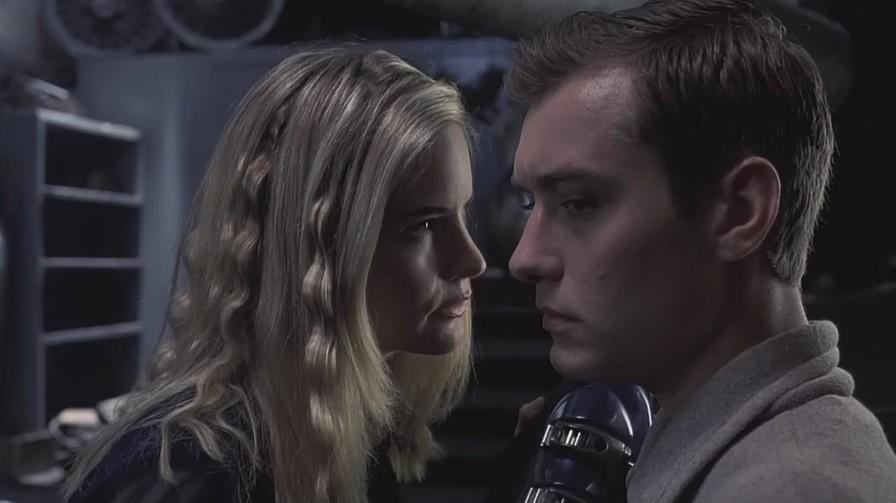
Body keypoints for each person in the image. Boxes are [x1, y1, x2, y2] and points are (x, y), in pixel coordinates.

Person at [505, 1, 896, 501]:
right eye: (529, 203)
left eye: (580, 203)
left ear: (739, 211)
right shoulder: (732, 448)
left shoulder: (785, 489)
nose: (525, 259)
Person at [62, 46, 486, 503]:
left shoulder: (350, 437)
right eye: (422, 226)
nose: (472, 259)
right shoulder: (187, 478)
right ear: (318, 247)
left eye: (464, 214)